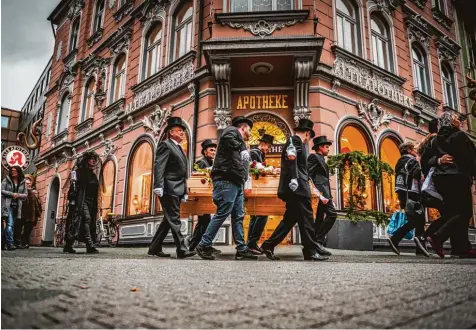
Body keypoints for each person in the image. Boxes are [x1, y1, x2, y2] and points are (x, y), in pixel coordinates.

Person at [260, 119, 328, 261]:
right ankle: (310, 251)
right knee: (308, 218)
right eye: (309, 137)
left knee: (290, 219)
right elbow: (293, 160)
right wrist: (294, 179)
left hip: (296, 186)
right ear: (308, 133)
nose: (308, 141)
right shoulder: (296, 141)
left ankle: (268, 245)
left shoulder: (294, 141)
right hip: (298, 187)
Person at [196, 116, 257, 260]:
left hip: (236, 182)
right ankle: (203, 245)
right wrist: (242, 148)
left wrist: (245, 179)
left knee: (238, 216)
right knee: (223, 212)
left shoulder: (239, 141)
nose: (250, 132)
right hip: (226, 179)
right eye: (249, 129)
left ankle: (241, 248)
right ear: (243, 127)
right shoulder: (231, 131)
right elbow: (228, 138)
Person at [419, 118, 475, 258]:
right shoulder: (459, 136)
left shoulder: (435, 140)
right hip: (458, 179)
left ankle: (460, 248)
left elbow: (424, 161)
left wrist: (438, 161)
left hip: (442, 181)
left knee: (452, 214)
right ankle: (437, 237)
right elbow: (470, 158)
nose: (460, 121)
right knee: (464, 213)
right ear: (451, 123)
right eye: (456, 119)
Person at [148, 117, 196, 259]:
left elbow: (183, 172)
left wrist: (185, 190)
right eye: (180, 130)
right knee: (174, 218)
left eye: (183, 131)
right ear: (171, 132)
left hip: (177, 188)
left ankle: (154, 248)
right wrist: (158, 185)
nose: (182, 133)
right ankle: (181, 249)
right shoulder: (166, 145)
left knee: (168, 219)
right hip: (168, 188)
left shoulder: (179, 147)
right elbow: (159, 166)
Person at [387, 142, 430, 257]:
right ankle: (396, 238)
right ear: (410, 151)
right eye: (414, 149)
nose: (416, 151)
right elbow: (416, 174)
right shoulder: (411, 161)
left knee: (416, 220)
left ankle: (419, 248)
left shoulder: (399, 162)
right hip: (412, 193)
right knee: (418, 220)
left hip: (402, 194)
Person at [63, 152, 100, 254]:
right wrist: (74, 198)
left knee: (83, 222)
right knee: (84, 219)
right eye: (91, 159)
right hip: (81, 201)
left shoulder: (93, 175)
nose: (93, 161)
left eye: (94, 159)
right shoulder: (79, 172)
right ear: (86, 160)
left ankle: (69, 245)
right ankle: (90, 245)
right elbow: (74, 187)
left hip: (90, 202)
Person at [187, 139, 219, 253]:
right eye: (211, 150)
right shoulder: (202, 163)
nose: (214, 152)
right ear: (205, 152)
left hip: (207, 196)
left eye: (215, 150)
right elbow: (197, 178)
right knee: (203, 222)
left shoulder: (211, 163)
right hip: (201, 196)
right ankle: (195, 245)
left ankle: (203, 245)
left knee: (205, 221)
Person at [308, 136, 336, 257]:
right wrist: (319, 194)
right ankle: (318, 241)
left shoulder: (321, 159)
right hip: (320, 194)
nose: (328, 149)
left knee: (319, 219)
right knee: (332, 214)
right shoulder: (314, 157)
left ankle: (316, 245)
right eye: (326, 147)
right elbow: (309, 176)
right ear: (320, 147)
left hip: (325, 194)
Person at [247, 133, 274, 255]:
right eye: (268, 147)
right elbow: (254, 170)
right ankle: (252, 243)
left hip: (256, 188)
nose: (269, 150)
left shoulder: (259, 153)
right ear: (263, 144)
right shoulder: (254, 152)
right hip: (255, 188)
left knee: (256, 215)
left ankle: (251, 244)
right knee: (262, 214)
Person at [1, 166, 27, 250]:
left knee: (11, 225)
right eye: (12, 171)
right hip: (7, 205)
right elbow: (1, 190)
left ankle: (3, 243)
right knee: (10, 224)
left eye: (15, 171)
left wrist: (18, 195)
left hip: (17, 206)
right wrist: (12, 194)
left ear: (18, 172)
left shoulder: (23, 182)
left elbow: (25, 194)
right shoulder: (6, 179)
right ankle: (10, 244)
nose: (13, 172)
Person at [16, 174, 42, 249]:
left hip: (31, 215)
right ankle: (18, 242)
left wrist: (38, 213)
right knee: (18, 229)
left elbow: (37, 204)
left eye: (29, 183)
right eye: (26, 183)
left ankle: (25, 243)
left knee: (27, 230)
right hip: (21, 214)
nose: (28, 184)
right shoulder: (21, 191)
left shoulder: (33, 193)